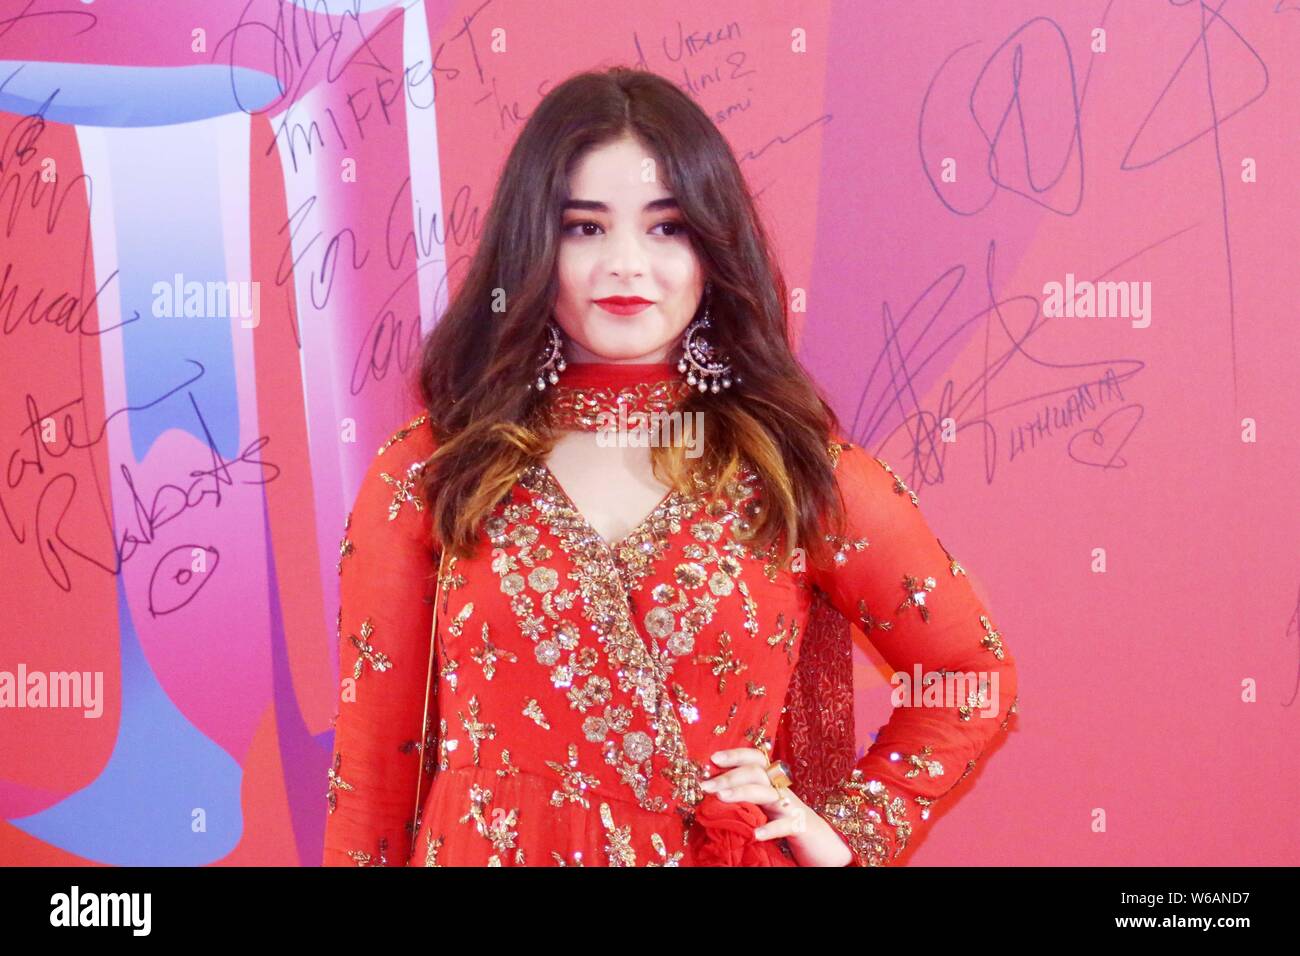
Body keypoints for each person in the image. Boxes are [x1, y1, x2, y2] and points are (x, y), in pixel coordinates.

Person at [322, 67, 1018, 867]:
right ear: (530, 245)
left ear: (714, 247)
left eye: (667, 227)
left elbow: (970, 674)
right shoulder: (435, 470)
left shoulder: (792, 469)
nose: (625, 264)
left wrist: (849, 833)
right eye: (584, 228)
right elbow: (375, 776)